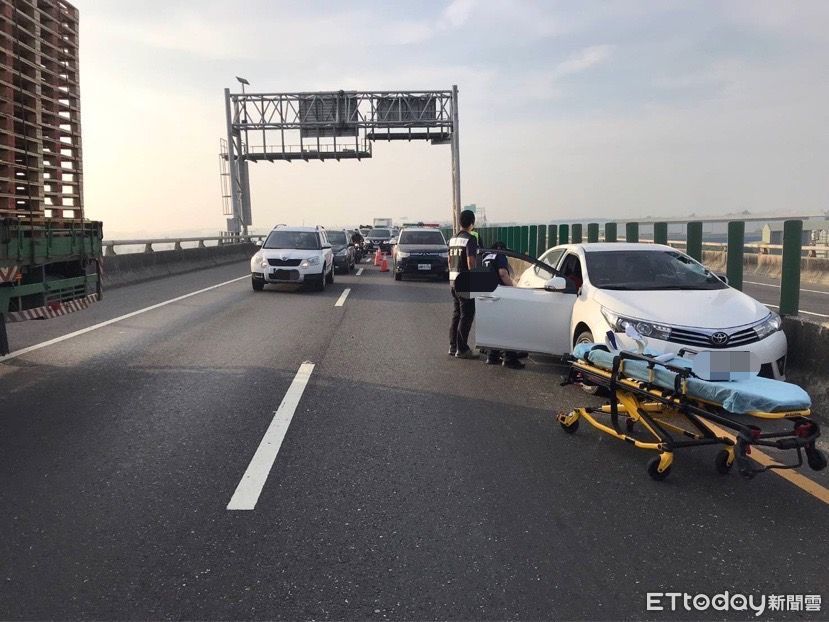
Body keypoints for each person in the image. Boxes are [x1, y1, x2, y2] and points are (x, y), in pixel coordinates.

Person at [481, 241, 525, 369]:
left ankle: (492, 355)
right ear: (501, 249)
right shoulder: (499, 255)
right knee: (507, 324)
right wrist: (513, 288)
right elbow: (503, 273)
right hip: (500, 292)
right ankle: (509, 358)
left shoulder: (485, 256)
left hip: (487, 292)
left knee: (493, 324)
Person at [448, 209, 478, 359]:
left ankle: (453, 347)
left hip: (453, 281)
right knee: (467, 316)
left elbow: (449, 261)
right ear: (472, 223)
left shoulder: (453, 239)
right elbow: (470, 261)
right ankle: (462, 349)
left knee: (457, 314)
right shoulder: (470, 239)